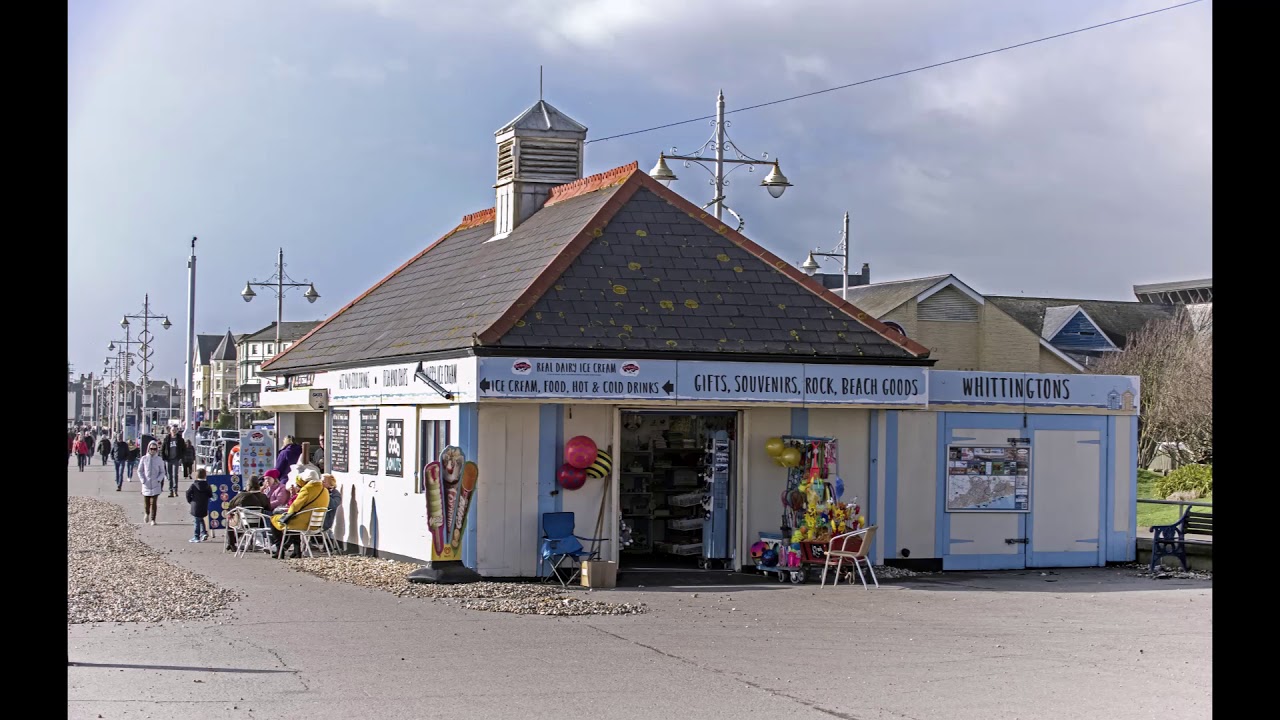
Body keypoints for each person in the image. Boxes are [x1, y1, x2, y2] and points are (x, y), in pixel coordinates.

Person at [269, 463, 329, 559]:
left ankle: (279, 549)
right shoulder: (324, 490)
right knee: (293, 521)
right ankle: (297, 551)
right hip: (316, 523)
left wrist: (288, 511)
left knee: (274, 519)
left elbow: (295, 507)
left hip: (304, 522)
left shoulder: (307, 489)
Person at [224, 475, 272, 552]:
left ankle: (231, 543)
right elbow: (269, 509)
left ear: (248, 485)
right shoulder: (263, 497)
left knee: (231, 519)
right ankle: (234, 543)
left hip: (244, 523)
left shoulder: (242, 495)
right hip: (261, 524)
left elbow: (230, 505)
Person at [138, 440, 166, 525]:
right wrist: (143, 480)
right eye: (151, 448)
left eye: (155, 448)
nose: (153, 450)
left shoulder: (159, 459)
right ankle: (147, 513)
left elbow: (162, 472)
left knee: (154, 502)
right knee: (147, 503)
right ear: (148, 449)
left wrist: (158, 480)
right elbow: (140, 471)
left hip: (155, 484)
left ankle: (153, 519)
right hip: (146, 484)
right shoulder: (144, 459)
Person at [185, 467, 213, 542]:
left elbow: (188, 493)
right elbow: (210, 495)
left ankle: (196, 537)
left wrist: (190, 501)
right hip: (204, 505)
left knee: (196, 521)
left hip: (195, 505)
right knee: (201, 519)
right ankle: (204, 533)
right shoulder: (207, 485)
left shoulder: (193, 485)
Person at [162, 426, 185, 497]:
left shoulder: (180, 439)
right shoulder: (167, 438)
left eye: (175, 430)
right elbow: (163, 448)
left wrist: (181, 457)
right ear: (170, 431)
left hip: (176, 459)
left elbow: (184, 449)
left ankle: (175, 490)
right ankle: (170, 491)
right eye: (172, 430)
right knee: (169, 475)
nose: (174, 431)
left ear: (177, 431)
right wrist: (163, 457)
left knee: (175, 475)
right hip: (168, 459)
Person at [321, 474, 341, 551]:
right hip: (312, 520)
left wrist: (326, 495)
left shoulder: (335, 494)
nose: (321, 484)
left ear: (330, 483)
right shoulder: (319, 491)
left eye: (324, 482)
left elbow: (334, 504)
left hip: (325, 521)